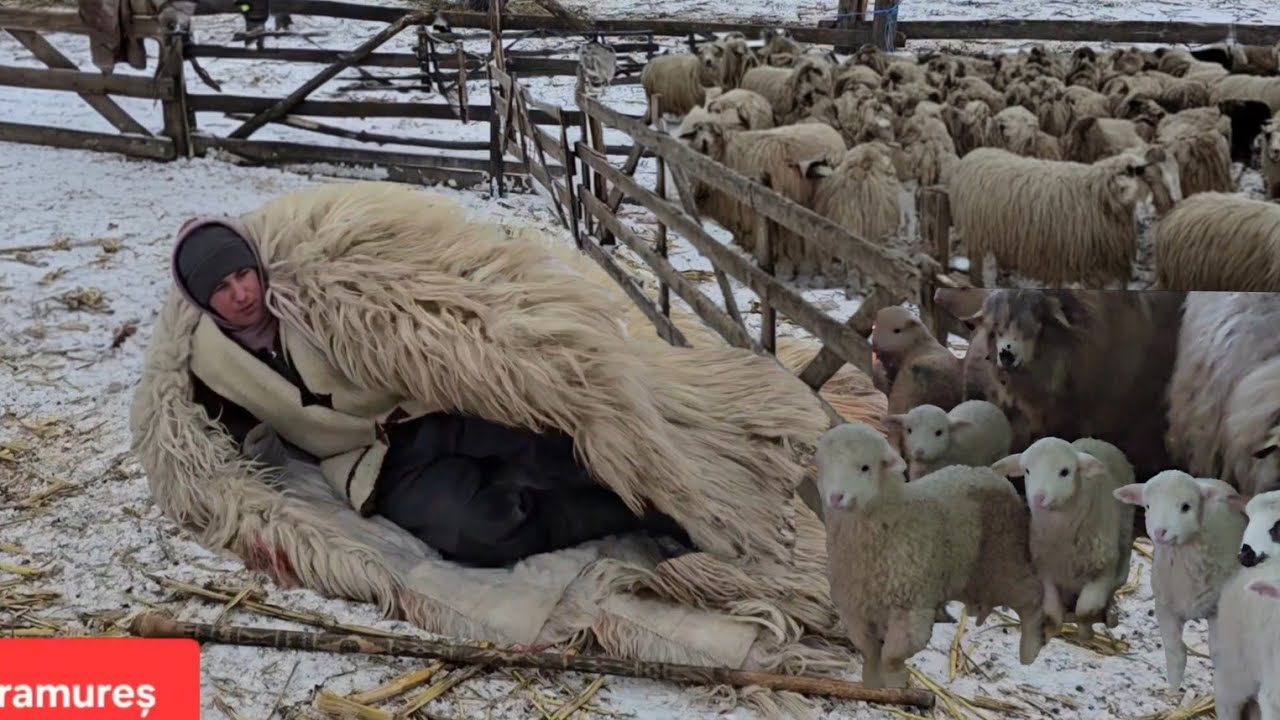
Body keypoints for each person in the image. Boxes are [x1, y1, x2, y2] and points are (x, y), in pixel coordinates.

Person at [171, 219, 694, 568]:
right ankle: (621, 514)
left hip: (427, 408)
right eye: (221, 287)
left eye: (243, 274)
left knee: (556, 441)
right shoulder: (213, 366)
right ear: (202, 298)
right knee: (480, 534)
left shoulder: (317, 295)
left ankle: (673, 504)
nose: (241, 295)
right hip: (373, 464)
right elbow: (220, 437)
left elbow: (411, 308)